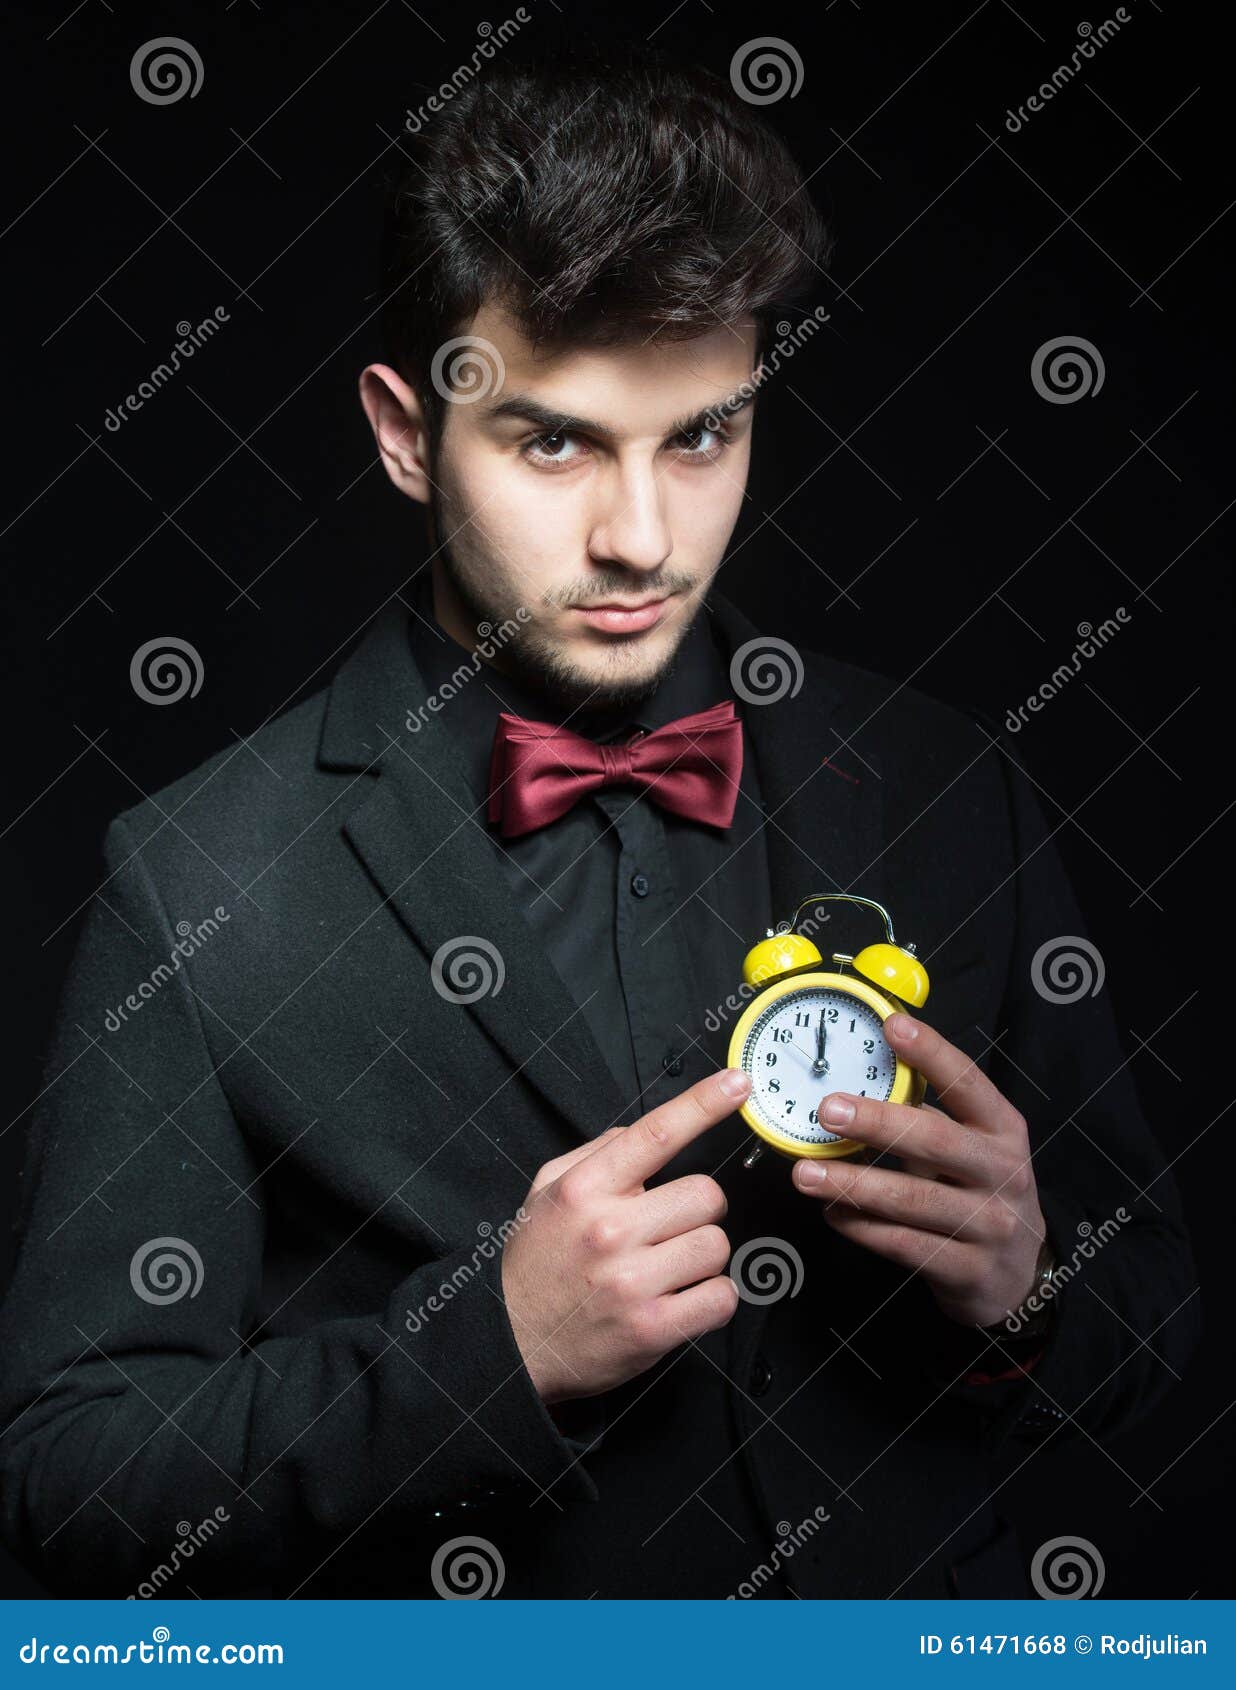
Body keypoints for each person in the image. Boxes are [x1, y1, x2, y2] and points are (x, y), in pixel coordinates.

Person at [0, 46, 1198, 1601]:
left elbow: (1153, 1325)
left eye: (701, 437)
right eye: (554, 440)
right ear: (406, 430)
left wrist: (1033, 1287)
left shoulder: (951, 784)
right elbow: (69, 1474)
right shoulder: (199, 878)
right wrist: (481, 1359)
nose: (641, 538)